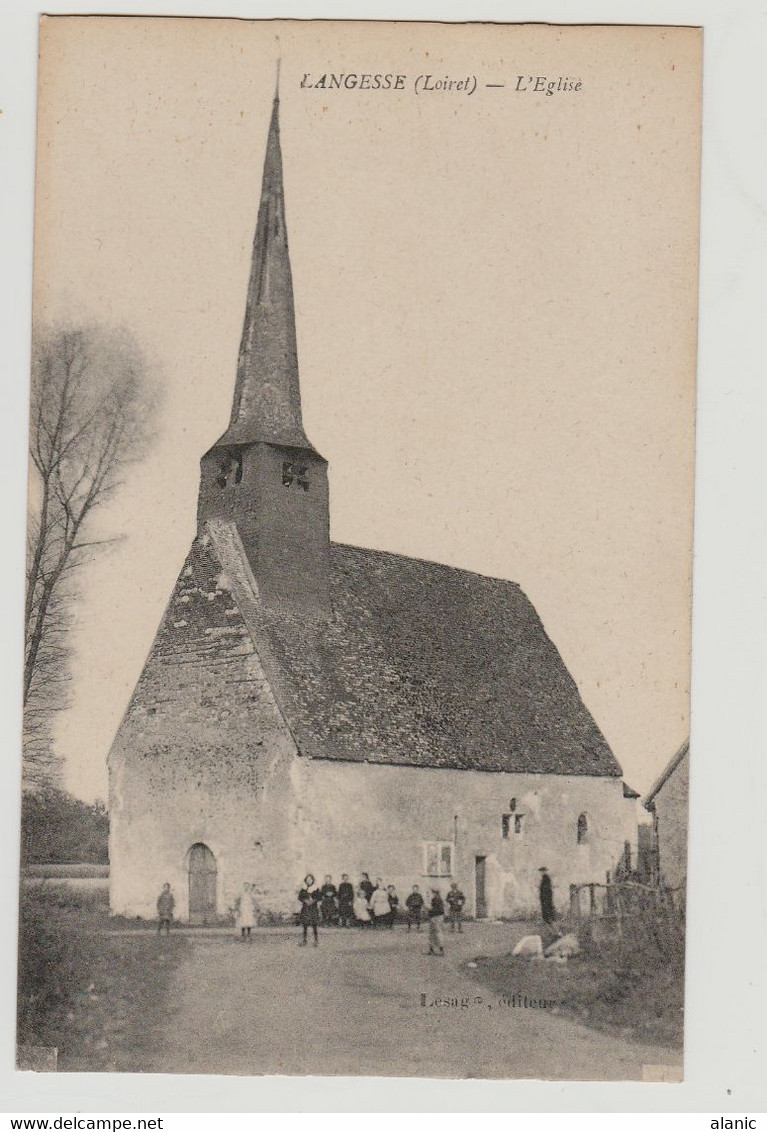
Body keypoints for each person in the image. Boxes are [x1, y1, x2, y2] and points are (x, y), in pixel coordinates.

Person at [298, 874, 321, 946]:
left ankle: (316, 940)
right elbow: (300, 897)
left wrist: (313, 901)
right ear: (306, 880)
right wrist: (305, 901)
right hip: (305, 908)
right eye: (308, 879)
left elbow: (319, 897)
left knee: (314, 925)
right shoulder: (303, 888)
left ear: (312, 880)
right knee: (305, 924)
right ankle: (304, 940)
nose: (309, 881)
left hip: (313, 908)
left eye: (310, 879)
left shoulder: (316, 888)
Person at [427, 888, 445, 955]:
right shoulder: (434, 899)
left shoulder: (438, 899)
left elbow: (440, 910)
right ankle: (432, 949)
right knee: (432, 934)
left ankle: (441, 950)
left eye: (430, 893)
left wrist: (430, 909)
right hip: (433, 917)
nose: (429, 895)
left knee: (437, 933)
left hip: (437, 918)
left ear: (434, 893)